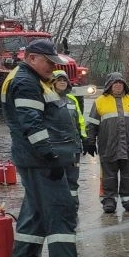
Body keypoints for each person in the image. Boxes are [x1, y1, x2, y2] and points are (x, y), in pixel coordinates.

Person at [3, 38, 98, 257]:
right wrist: (49, 156)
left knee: (35, 213)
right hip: (40, 160)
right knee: (61, 210)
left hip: (36, 158)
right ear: (32, 58)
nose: (53, 67)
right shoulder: (25, 82)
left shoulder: (30, 79)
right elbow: (31, 123)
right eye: (48, 62)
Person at [86, 72, 129, 214]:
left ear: (124, 85)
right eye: (115, 83)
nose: (118, 85)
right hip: (108, 146)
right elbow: (92, 124)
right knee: (108, 176)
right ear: (109, 85)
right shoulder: (100, 101)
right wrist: (90, 141)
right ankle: (109, 200)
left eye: (120, 83)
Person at [51, 69, 88, 228]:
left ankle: (72, 211)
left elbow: (80, 121)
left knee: (72, 182)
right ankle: (57, 213)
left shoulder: (72, 100)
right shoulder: (47, 99)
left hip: (73, 148)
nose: (62, 83)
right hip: (55, 149)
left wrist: (85, 139)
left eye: (64, 80)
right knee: (56, 181)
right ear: (52, 83)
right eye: (59, 80)